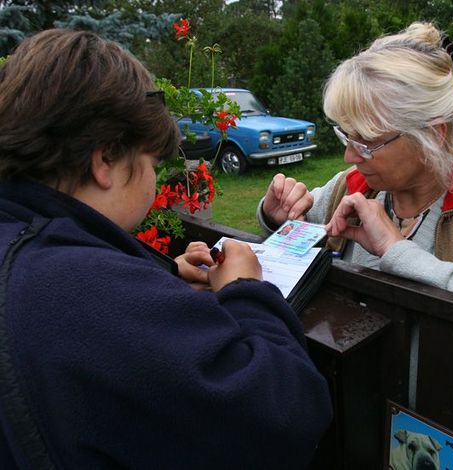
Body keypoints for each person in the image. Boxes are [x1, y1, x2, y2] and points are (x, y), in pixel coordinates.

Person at [0, 29, 331, 468]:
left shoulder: (25, 244)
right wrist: (247, 290)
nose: (155, 181)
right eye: (152, 163)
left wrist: (163, 280)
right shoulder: (83, 289)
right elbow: (286, 412)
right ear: (106, 160)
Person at [259, 22, 453, 315]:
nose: (350, 156)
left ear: (433, 135)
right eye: (346, 135)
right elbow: (299, 226)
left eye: (366, 141)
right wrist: (277, 215)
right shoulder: (355, 185)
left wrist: (397, 251)